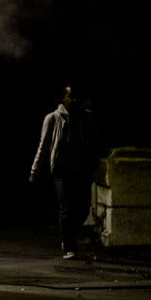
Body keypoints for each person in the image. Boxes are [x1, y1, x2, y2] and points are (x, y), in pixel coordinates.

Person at [29, 84, 98, 259]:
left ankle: (68, 236)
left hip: (81, 170)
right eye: (70, 97)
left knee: (83, 208)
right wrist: (35, 170)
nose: (74, 100)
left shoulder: (86, 118)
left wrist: (93, 166)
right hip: (61, 171)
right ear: (63, 98)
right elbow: (43, 146)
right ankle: (69, 246)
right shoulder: (52, 118)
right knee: (66, 208)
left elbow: (93, 144)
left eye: (76, 97)